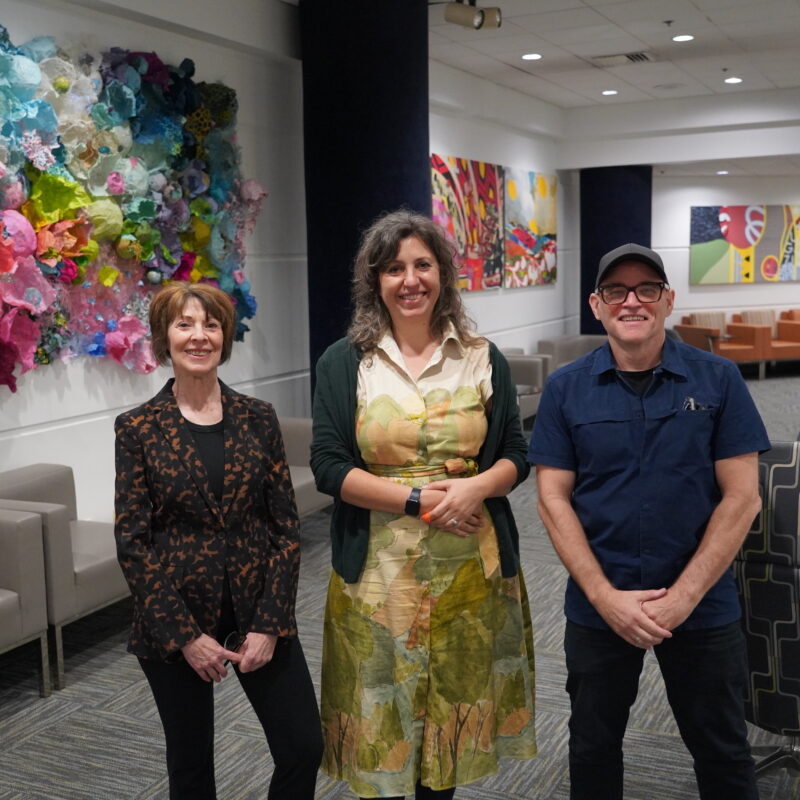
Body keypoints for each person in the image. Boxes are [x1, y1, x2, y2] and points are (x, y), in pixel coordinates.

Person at [529, 242, 769, 800]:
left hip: (701, 601)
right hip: (599, 599)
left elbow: (742, 499)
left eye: (647, 289)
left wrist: (682, 598)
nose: (631, 301)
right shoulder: (566, 388)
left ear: (668, 301)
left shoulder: (719, 381)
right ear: (596, 304)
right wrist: (605, 596)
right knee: (592, 745)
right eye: (616, 290)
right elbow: (551, 499)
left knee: (722, 749)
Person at [310, 209, 537, 799]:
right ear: (375, 282)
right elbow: (329, 467)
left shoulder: (483, 357)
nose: (409, 280)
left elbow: (515, 452)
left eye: (422, 265)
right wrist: (417, 499)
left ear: (443, 275)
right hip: (380, 578)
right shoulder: (344, 361)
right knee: (384, 718)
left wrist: (476, 487)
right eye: (393, 269)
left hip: (470, 568)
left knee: (450, 722)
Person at [114, 282, 322, 800]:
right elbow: (132, 541)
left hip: (257, 611)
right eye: (184, 324)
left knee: (303, 746)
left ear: (225, 336)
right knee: (191, 768)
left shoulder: (259, 417)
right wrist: (186, 636)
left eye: (210, 324)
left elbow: (284, 528)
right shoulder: (137, 428)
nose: (199, 336)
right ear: (165, 337)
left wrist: (271, 625)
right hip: (175, 621)